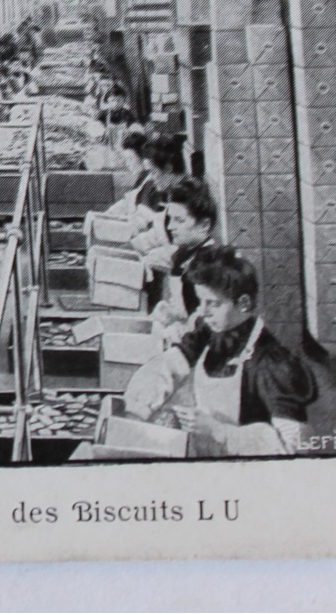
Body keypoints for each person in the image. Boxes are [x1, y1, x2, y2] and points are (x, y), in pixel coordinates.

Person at [121, 248, 317, 457]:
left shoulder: (273, 363)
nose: (203, 312)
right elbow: (169, 364)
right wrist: (137, 410)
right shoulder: (211, 331)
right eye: (201, 301)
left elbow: (294, 447)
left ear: (244, 304)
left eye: (213, 304)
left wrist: (219, 431)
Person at [142, 178, 221, 340]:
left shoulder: (209, 264)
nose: (170, 227)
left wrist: (175, 323)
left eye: (179, 220)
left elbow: (206, 328)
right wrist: (172, 312)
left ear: (205, 225)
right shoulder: (185, 253)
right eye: (170, 219)